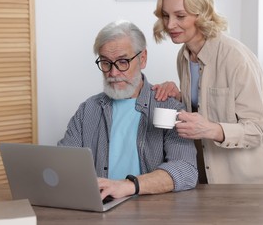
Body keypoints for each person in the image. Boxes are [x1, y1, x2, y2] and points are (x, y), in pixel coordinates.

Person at [152, 0, 263, 185]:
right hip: (223, 180)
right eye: (166, 16)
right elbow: (208, 104)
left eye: (180, 16)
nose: (170, 24)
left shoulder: (235, 57)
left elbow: (257, 130)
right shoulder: (184, 57)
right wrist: (181, 95)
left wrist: (210, 129)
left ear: (201, 14)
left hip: (262, 181)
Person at [58, 20, 198, 200]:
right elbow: (64, 164)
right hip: (100, 209)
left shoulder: (169, 107)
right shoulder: (88, 110)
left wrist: (128, 186)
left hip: (152, 212)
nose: (113, 73)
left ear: (143, 58)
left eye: (123, 62)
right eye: (106, 63)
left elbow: (186, 170)